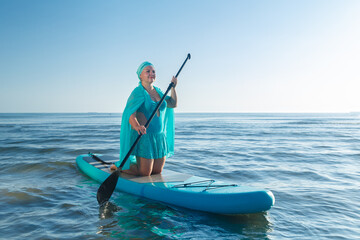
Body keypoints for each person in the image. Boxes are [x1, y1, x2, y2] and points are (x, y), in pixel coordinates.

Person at [110, 61, 177, 176]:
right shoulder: (138, 92)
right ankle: (118, 165)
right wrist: (136, 126)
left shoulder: (159, 91)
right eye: (148, 71)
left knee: (157, 171)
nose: (151, 73)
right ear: (140, 75)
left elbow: (173, 103)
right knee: (145, 172)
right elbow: (130, 113)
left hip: (159, 137)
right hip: (145, 137)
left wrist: (173, 88)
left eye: (153, 71)